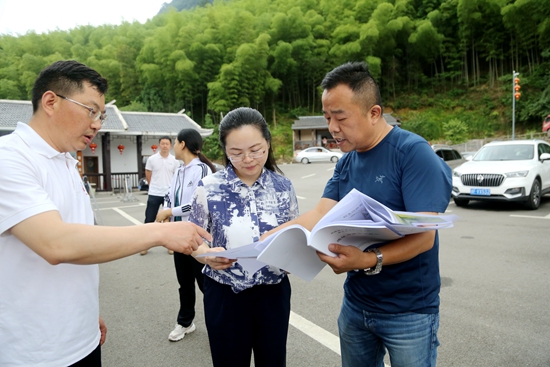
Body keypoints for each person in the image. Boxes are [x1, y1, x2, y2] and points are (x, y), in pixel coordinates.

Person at [0, 60, 211, 367]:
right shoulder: (10, 158)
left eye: (101, 115)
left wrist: (84, 314)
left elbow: (82, 243)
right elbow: (56, 243)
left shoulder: (65, 162)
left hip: (81, 337)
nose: (98, 124)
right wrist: (160, 231)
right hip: (35, 352)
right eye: (91, 111)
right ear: (50, 102)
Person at [265, 62, 452, 367]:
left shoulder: (412, 153)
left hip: (409, 312)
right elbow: (320, 213)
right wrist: (272, 240)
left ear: (374, 113)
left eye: (340, 117)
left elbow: (424, 237)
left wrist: (367, 260)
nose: (332, 128)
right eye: (327, 118)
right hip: (356, 304)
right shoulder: (346, 162)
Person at [189, 107, 299, 367]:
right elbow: (193, 238)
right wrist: (205, 256)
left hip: (273, 293)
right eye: (236, 153)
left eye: (256, 150)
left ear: (268, 144)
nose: (248, 159)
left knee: (272, 361)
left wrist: (293, 258)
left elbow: (295, 234)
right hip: (225, 293)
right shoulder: (209, 187)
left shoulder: (284, 187)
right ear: (225, 151)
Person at [155, 129, 217, 342]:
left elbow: (197, 203)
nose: (172, 145)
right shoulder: (180, 170)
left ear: (183, 144)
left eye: (174, 142)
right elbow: (168, 195)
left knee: (206, 285)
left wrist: (169, 212)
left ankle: (220, 325)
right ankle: (185, 322)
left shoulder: (202, 170)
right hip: (178, 236)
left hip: (197, 238)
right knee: (185, 283)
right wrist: (164, 208)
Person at [141, 136, 179, 255]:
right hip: (154, 193)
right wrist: (152, 186)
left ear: (170, 146)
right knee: (149, 218)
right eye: (162, 143)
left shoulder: (175, 160)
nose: (164, 146)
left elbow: (176, 177)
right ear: (159, 145)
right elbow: (148, 174)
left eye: (167, 144)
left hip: (168, 193)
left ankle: (170, 245)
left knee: (169, 220)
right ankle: (145, 245)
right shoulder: (152, 159)